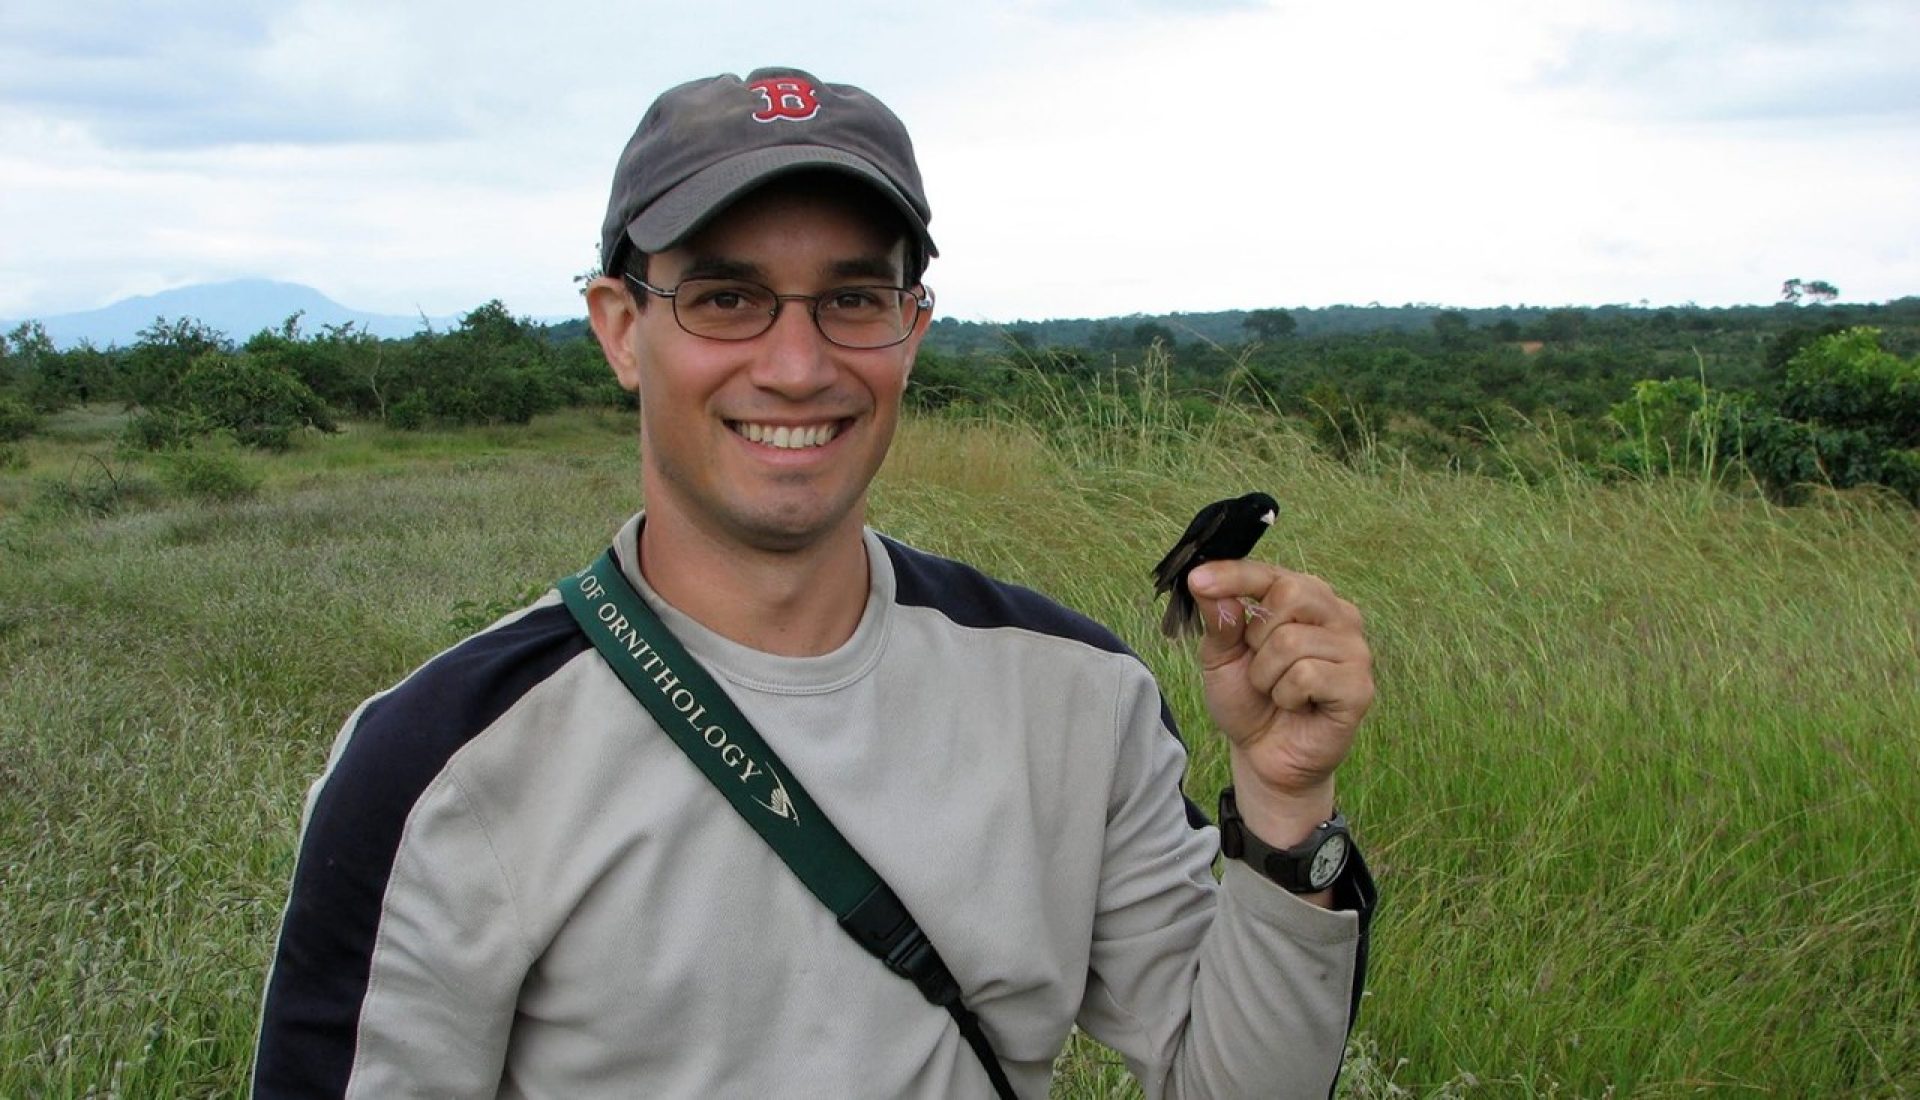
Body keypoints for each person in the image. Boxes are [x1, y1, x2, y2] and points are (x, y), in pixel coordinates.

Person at [252, 66, 1376, 1099]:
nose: (796, 366)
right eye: (726, 298)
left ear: (912, 330)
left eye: (851, 299)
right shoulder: (441, 762)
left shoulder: (1078, 698)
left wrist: (1283, 813)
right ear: (620, 329)